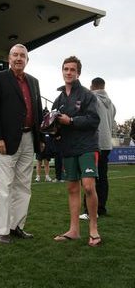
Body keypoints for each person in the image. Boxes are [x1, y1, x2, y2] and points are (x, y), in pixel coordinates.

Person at [0, 44, 44, 244]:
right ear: (9, 58)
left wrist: (40, 139)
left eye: (22, 55)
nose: (19, 58)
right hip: (5, 140)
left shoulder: (34, 82)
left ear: (27, 59)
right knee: (4, 186)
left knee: (24, 186)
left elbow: (38, 112)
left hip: (29, 139)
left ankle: (16, 226)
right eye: (15, 55)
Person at [52, 56, 101, 247]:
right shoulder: (59, 99)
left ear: (78, 73)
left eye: (72, 69)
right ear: (62, 71)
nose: (69, 72)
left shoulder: (88, 95)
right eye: (66, 69)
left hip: (87, 146)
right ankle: (74, 231)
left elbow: (94, 120)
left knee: (88, 186)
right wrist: (52, 129)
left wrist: (71, 121)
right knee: (72, 188)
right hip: (68, 148)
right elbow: (56, 124)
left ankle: (94, 229)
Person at [80, 77, 116, 219]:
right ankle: (101, 208)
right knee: (103, 177)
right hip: (106, 144)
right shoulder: (111, 104)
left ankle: (90, 211)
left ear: (92, 86)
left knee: (90, 177)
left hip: (94, 143)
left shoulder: (92, 98)